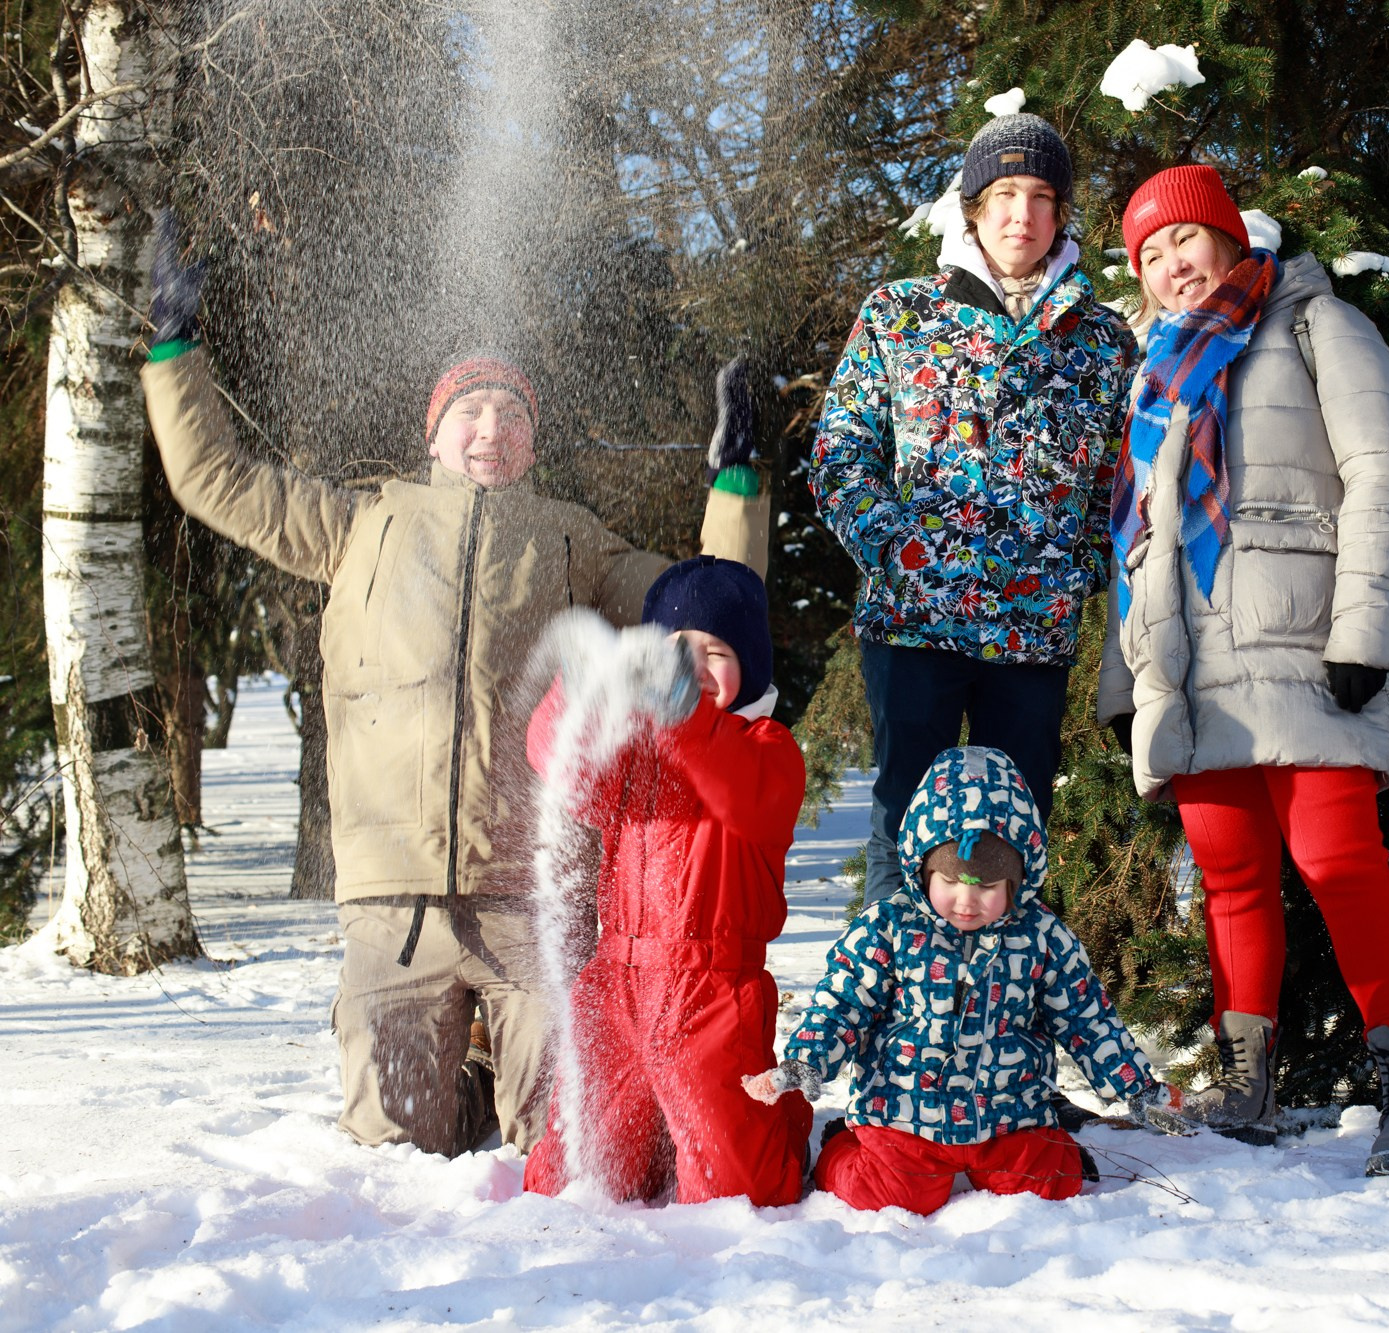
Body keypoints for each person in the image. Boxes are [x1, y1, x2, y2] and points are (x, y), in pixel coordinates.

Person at [140, 216, 769, 1158]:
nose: (491, 429)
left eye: (512, 415)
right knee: (396, 1146)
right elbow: (214, 479)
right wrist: (173, 348)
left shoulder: (572, 537)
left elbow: (718, 607)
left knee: (560, 1141)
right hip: (395, 900)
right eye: (470, 412)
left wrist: (736, 479)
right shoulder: (356, 525)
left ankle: (492, 1065)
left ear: (531, 443)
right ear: (433, 433)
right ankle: (458, 1074)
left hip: (532, 894)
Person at [1097, 165, 1389, 1174]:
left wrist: (1363, 633)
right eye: (1150, 253)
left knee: (1338, 863)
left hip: (1305, 644)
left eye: (1185, 241)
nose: (1171, 266)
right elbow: (1137, 536)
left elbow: (1382, 475)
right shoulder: (1150, 369)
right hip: (1196, 661)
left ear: (1228, 238)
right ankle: (1244, 1084)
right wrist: (1123, 671)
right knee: (1228, 879)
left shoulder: (1313, 324)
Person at [809, 112, 1136, 907]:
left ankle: (998, 1015)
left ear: (1061, 214)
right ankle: (893, 1011)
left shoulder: (1102, 341)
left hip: (1030, 634)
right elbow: (840, 452)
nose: (1021, 214)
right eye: (1003, 194)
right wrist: (895, 551)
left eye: (1040, 196)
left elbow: (1121, 490)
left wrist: (1074, 569)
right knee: (905, 818)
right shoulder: (899, 314)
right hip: (915, 624)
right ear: (973, 209)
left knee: (1013, 830)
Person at [746, 746, 1184, 1215]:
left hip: (1008, 1114)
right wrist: (808, 1059)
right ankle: (840, 1149)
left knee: (1047, 1186)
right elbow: (843, 1001)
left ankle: (1052, 1154)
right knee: (890, 1196)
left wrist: (1136, 1086)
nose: (966, 901)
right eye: (950, 881)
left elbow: (1085, 1017)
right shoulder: (889, 927)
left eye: (987, 887)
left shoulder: (1041, 936)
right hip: (905, 1111)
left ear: (1017, 881)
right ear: (923, 867)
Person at [520, 556, 813, 1205]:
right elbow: (566, 768)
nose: (695, 667)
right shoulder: (633, 751)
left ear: (752, 666)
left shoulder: (766, 748)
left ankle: (783, 1128)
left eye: (716, 652)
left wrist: (688, 719)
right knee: (574, 1174)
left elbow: (741, 794)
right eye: (678, 650)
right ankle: (642, 1150)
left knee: (736, 1195)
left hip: (712, 995)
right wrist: (583, 692)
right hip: (616, 983)